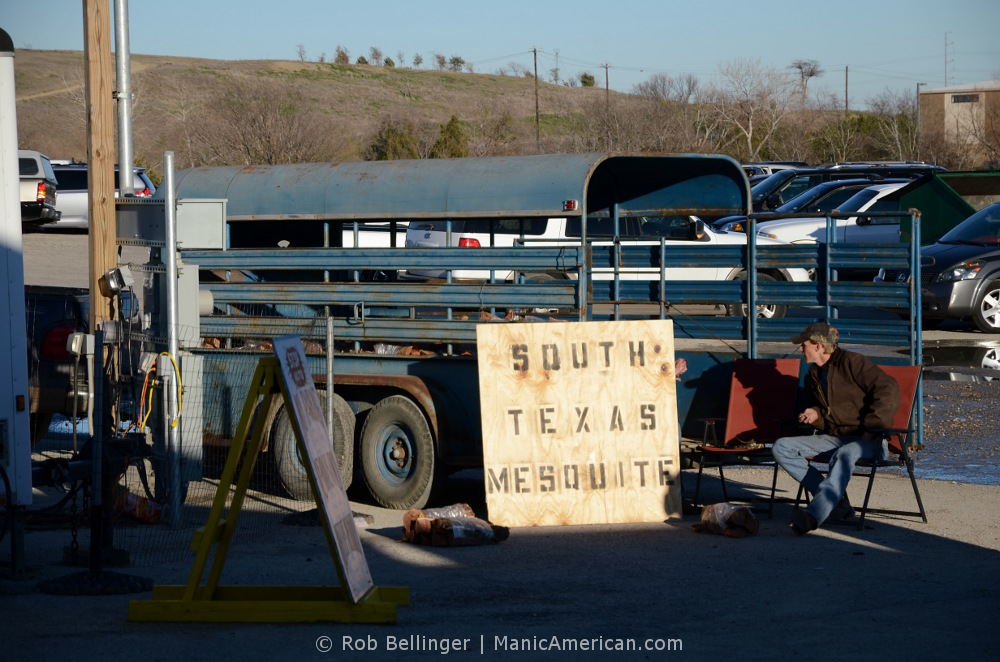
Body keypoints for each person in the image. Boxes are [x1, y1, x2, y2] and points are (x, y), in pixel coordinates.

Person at [772, 322, 900, 535]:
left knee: (844, 453)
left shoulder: (852, 362)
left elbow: (889, 388)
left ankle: (814, 515)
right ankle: (837, 503)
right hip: (835, 437)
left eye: (803, 345)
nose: (800, 349)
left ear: (819, 346)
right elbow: (826, 416)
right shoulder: (812, 376)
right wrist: (815, 414)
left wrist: (871, 428)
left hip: (869, 440)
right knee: (781, 447)